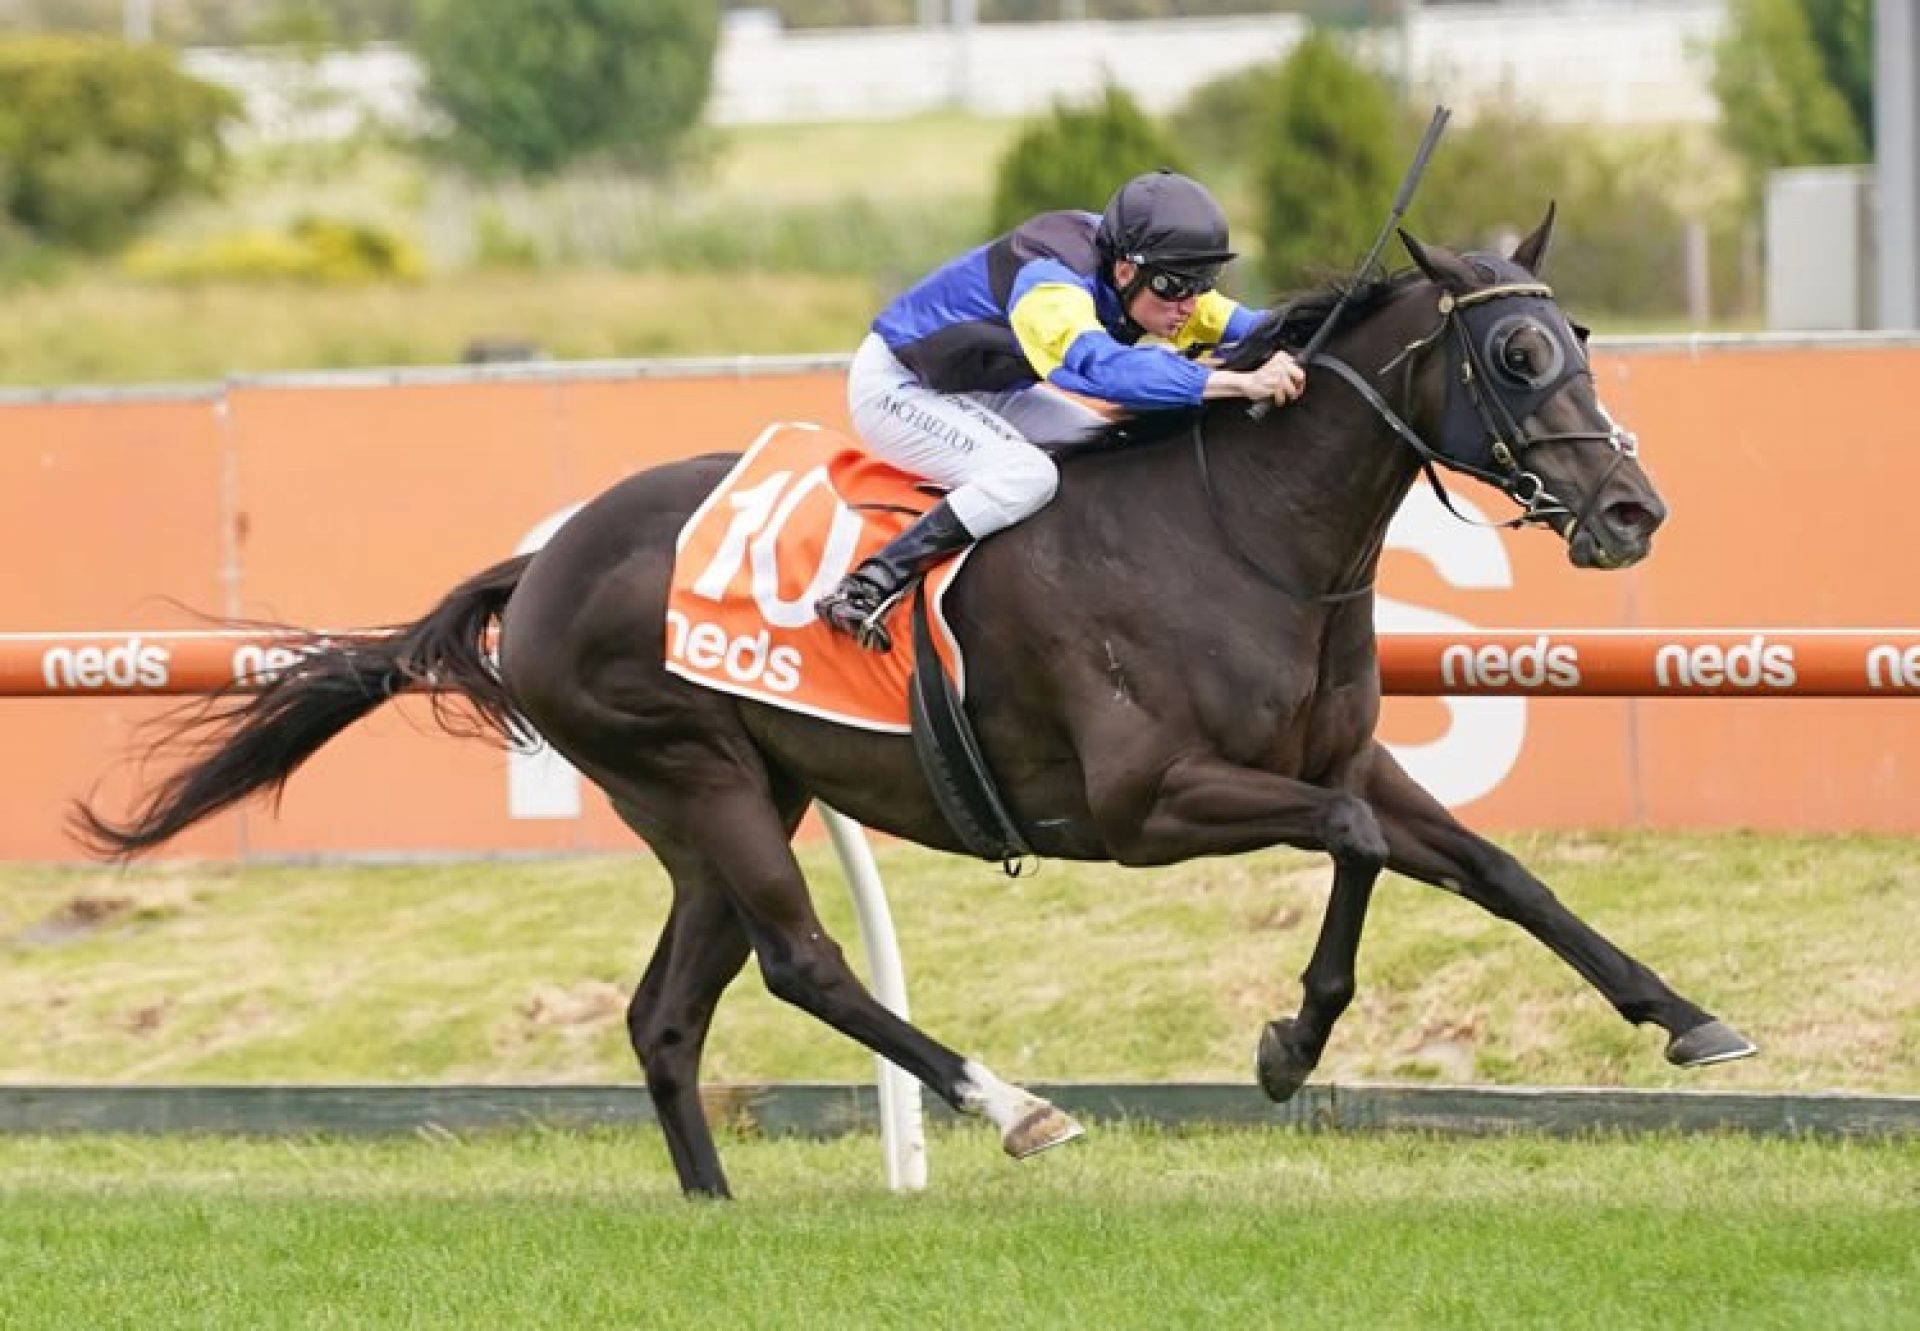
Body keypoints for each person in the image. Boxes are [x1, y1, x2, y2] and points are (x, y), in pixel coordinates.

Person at [813, 168, 1307, 653]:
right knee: (1028, 476)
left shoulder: (1151, 276)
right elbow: (1101, 371)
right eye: (1177, 287)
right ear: (1125, 271)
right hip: (901, 386)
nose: (1190, 304)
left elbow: (1255, 324)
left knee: (1114, 453)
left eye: (1203, 283)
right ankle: (870, 584)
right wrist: (1236, 382)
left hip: (986, 385)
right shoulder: (1049, 284)